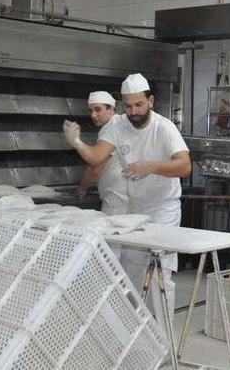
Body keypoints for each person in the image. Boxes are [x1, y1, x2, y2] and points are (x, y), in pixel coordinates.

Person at [63, 73, 191, 325]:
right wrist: (77, 141)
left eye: (139, 105)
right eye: (128, 106)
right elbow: (97, 157)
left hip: (162, 209)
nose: (133, 111)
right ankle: (136, 333)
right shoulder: (116, 125)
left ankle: (163, 336)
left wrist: (151, 166)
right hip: (134, 208)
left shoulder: (164, 128)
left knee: (159, 273)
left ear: (150, 101)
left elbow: (185, 166)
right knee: (131, 272)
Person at [73, 91, 126, 216]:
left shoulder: (110, 128)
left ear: (111, 109)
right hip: (128, 196)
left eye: (98, 110)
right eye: (90, 110)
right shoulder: (123, 124)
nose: (93, 115)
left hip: (117, 199)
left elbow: (97, 167)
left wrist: (82, 189)